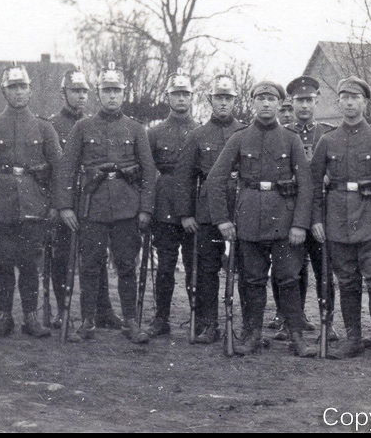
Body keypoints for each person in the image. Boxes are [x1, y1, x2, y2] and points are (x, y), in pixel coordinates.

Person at [206, 81, 316, 358]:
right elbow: (215, 178)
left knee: (288, 279)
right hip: (249, 219)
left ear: (281, 104)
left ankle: (296, 335)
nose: (266, 104)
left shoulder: (290, 139)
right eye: (260, 99)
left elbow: (306, 185)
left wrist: (300, 224)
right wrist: (222, 220)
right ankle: (252, 334)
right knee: (252, 280)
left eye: (271, 99)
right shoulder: (240, 138)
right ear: (252, 102)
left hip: (284, 220)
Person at [55, 62, 157, 345]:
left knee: (126, 265)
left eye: (117, 91)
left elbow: (149, 172)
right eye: (106, 91)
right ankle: (88, 320)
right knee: (90, 265)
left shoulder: (136, 129)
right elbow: (66, 168)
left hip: (127, 208)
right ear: (98, 94)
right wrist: (65, 206)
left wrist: (146, 209)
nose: (112, 96)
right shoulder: (82, 127)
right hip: (92, 207)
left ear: (123, 94)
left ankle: (130, 321)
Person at [310, 76, 371, 364]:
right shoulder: (327, 141)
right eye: (344, 97)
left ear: (365, 102)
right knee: (347, 281)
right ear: (338, 102)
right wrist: (316, 220)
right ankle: (352, 338)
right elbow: (314, 185)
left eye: (355, 97)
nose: (349, 103)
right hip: (337, 221)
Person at [0, 65, 61, 339]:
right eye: (12, 87)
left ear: (30, 90)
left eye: (22, 86)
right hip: (1, 206)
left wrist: (54, 205)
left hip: (33, 206)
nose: (18, 92)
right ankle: (5, 317)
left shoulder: (44, 127)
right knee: (3, 263)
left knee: (29, 264)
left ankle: (31, 317)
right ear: (4, 91)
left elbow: (58, 169)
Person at [48, 70, 122, 331]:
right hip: (66, 199)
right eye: (74, 90)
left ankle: (103, 311)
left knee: (96, 256)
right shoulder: (52, 125)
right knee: (62, 255)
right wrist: (59, 204)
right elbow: (56, 169)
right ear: (63, 93)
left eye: (84, 91)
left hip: (92, 198)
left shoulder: (94, 123)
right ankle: (62, 310)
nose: (80, 95)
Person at [176, 75, 246, 344]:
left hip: (240, 209)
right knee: (206, 269)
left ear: (235, 101)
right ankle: (209, 323)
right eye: (219, 97)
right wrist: (186, 214)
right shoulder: (197, 135)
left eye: (228, 98)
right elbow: (183, 177)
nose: (224, 103)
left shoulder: (245, 133)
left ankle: (246, 327)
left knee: (248, 271)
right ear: (210, 100)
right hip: (206, 212)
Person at [269, 76, 337, 341]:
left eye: (309, 100)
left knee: (323, 268)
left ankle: (327, 322)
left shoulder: (328, 134)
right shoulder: (283, 134)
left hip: (320, 212)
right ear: (292, 103)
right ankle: (290, 319)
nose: (305, 106)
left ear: (316, 101)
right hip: (290, 210)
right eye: (299, 101)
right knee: (289, 268)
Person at [144, 70, 199, 338]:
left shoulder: (201, 131)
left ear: (192, 97)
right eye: (176, 94)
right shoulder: (154, 133)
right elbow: (146, 170)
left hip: (194, 206)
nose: (181, 98)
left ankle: (197, 317)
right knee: (165, 266)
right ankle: (161, 318)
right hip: (164, 205)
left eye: (185, 94)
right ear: (168, 97)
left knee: (194, 265)